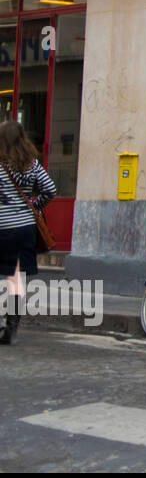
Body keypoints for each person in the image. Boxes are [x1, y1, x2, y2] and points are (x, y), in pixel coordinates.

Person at [0, 121, 56, 345]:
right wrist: (35, 205)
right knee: (16, 280)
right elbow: (50, 189)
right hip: (25, 229)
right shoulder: (31, 164)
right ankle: (11, 330)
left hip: (2, 228)